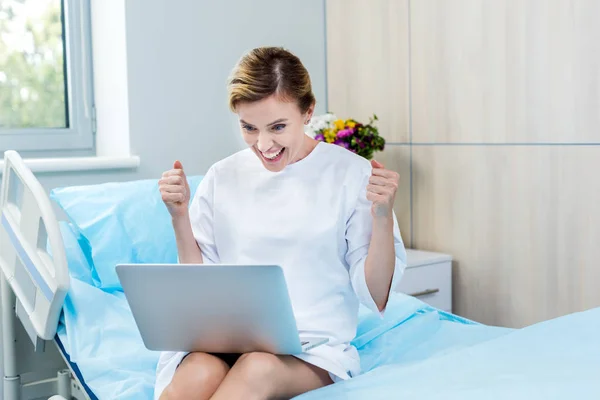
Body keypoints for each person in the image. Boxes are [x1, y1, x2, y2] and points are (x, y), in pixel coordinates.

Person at [155, 46, 407, 400]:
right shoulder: (222, 176)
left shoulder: (350, 174)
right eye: (249, 128)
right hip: (227, 339)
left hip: (312, 350)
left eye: (277, 127)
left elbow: (377, 296)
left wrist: (381, 218)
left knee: (257, 368)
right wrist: (180, 217)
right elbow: (200, 285)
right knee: (197, 372)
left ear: (308, 111)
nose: (263, 144)